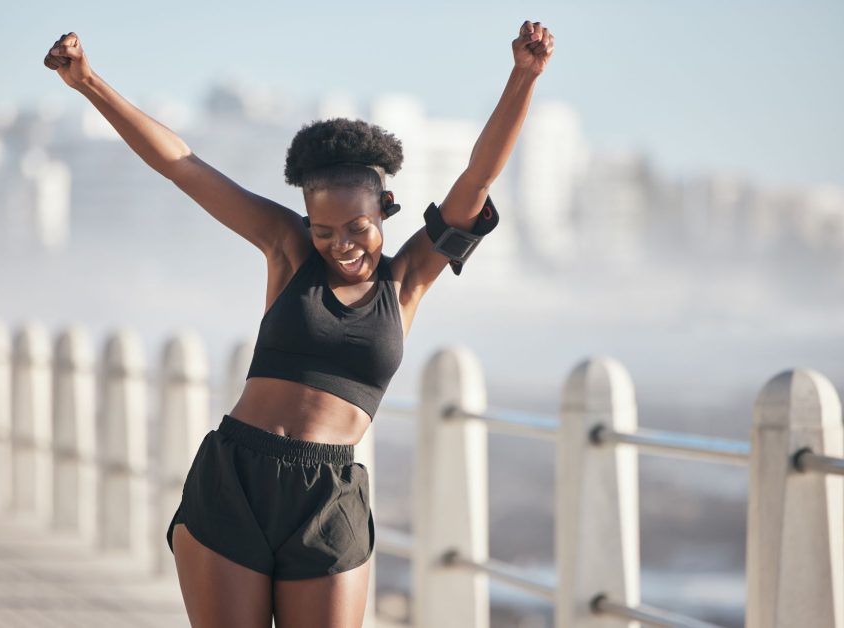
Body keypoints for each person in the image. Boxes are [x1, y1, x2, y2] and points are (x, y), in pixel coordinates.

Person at [43, 20, 553, 628]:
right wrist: (89, 82)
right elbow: (183, 165)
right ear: (307, 221)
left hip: (330, 496)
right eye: (324, 230)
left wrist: (523, 76)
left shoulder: (408, 280)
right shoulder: (287, 249)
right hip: (238, 478)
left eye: (358, 228)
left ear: (385, 208)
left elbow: (477, 179)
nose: (342, 245)